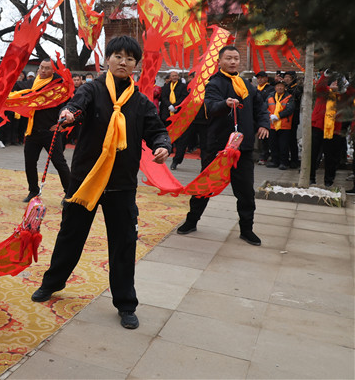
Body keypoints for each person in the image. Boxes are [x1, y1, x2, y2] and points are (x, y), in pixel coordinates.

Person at [31, 36, 171, 331]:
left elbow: (157, 130)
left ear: (136, 64)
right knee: (70, 236)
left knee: (123, 244)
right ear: (107, 59)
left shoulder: (140, 101)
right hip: (86, 180)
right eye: (118, 56)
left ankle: (125, 303)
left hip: (121, 184)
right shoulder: (92, 89)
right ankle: (52, 283)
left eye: (129, 58)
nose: (123, 62)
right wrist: (68, 115)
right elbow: (75, 106)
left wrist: (162, 145)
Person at [177, 45, 270, 246]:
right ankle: (191, 221)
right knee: (204, 187)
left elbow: (260, 107)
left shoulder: (247, 85)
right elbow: (210, 105)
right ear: (220, 61)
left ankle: (247, 229)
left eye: (236, 58)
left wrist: (264, 124)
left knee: (245, 192)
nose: (233, 61)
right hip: (218, 147)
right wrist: (224, 104)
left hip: (242, 148)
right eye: (228, 58)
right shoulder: (214, 83)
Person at [16, 59, 71, 202]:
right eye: (41, 67)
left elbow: (67, 106)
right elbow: (16, 87)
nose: (43, 70)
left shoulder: (58, 85)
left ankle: (70, 192)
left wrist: (62, 125)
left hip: (51, 131)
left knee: (59, 163)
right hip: (33, 131)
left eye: (47, 68)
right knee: (30, 162)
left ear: (53, 71)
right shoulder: (33, 83)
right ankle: (33, 191)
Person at [309, 70, 355, 186]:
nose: (335, 83)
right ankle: (310, 178)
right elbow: (320, 85)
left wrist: (345, 80)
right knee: (313, 154)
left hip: (335, 129)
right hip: (318, 127)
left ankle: (329, 181)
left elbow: (351, 92)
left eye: (337, 82)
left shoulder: (343, 96)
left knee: (332, 157)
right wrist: (327, 73)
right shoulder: (324, 91)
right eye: (333, 81)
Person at [266, 80, 295, 170]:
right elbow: (264, 107)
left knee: (284, 145)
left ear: (285, 88)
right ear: (275, 87)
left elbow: (290, 109)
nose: (279, 88)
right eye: (278, 86)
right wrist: (270, 115)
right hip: (272, 124)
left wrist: (278, 116)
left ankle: (284, 162)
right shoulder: (270, 96)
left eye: (281, 86)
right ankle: (275, 161)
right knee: (273, 144)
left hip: (284, 125)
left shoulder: (289, 97)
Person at [283, 70, 302, 168]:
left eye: (288, 77)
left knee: (292, 140)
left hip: (293, 117)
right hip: (283, 118)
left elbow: (297, 95)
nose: (286, 79)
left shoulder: (296, 88)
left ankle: (294, 160)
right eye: (285, 77)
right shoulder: (285, 87)